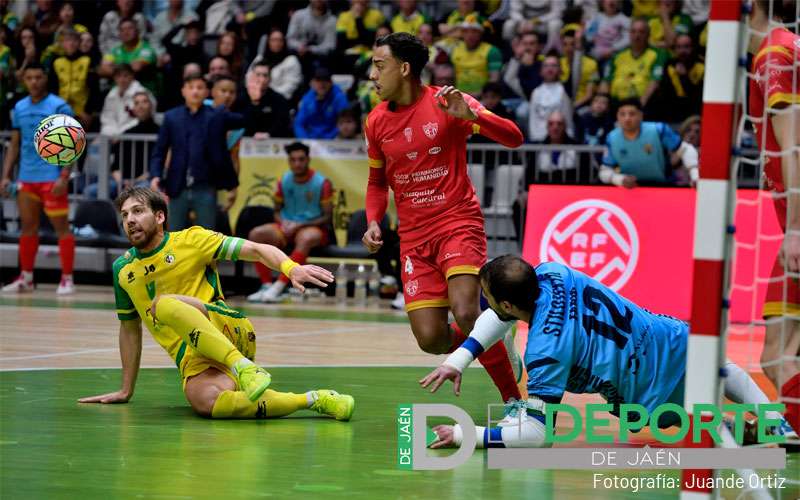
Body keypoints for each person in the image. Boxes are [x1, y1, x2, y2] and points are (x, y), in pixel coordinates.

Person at [421, 255, 797, 448]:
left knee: (672, 418)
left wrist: (466, 434)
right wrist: (460, 358)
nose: (485, 302)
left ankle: (730, 428)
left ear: (505, 302)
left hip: (646, 393)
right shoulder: (553, 271)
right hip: (670, 338)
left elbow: (539, 436)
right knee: (720, 367)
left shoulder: (543, 354)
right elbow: (504, 313)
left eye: (488, 296)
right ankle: (775, 420)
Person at [78, 186, 354, 422]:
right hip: (195, 358)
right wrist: (126, 389)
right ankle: (313, 400)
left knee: (162, 304)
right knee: (207, 402)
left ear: (160, 216)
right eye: (125, 215)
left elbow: (256, 249)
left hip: (227, 329)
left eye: (138, 211)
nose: (130, 220)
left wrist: (291, 268)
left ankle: (243, 366)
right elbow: (129, 329)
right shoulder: (122, 270)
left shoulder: (192, 240)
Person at [362, 33, 524, 405]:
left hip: (456, 223)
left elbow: (514, 138)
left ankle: (516, 404)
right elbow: (376, 182)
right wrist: (373, 220)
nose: (373, 74)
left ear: (404, 69)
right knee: (430, 338)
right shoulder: (375, 122)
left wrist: (474, 115)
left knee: (467, 311)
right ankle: (494, 335)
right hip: (414, 239)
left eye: (379, 65)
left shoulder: (448, 102)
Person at [746, 0, 800, 434]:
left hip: (799, 225)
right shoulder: (789, 48)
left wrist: (796, 231)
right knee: (781, 353)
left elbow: (792, 146)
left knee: (778, 353)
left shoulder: (774, 54)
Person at [1, 64, 76, 294]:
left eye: (38, 77)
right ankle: (26, 278)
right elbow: (15, 144)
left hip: (52, 177)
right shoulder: (19, 107)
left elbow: (73, 143)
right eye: (29, 77)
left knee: (61, 229)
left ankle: (67, 278)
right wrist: (5, 176)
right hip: (26, 177)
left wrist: (64, 175)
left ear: (45, 79)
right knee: (28, 228)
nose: (34, 81)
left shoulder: (59, 106)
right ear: (24, 80)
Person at [149, 74, 241, 230]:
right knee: (174, 236)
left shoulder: (215, 116)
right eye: (191, 87)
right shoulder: (172, 117)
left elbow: (223, 154)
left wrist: (232, 185)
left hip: (205, 185)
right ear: (183, 91)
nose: (195, 92)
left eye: (199, 88)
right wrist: (155, 174)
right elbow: (160, 150)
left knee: (206, 238)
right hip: (177, 186)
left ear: (207, 92)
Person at [247, 142, 334, 303]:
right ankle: (266, 285)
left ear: (308, 159)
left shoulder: (322, 183)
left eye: (301, 159)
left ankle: (278, 286)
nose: (297, 163)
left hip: (313, 227)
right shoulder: (284, 181)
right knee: (256, 234)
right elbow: (276, 211)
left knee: (306, 238)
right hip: (287, 226)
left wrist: (300, 225)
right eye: (293, 160)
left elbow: (327, 217)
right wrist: (283, 222)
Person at [599, 98, 697, 188]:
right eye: (622, 114)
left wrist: (695, 175)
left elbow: (686, 149)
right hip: (630, 188)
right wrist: (620, 180)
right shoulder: (611, 138)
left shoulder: (658, 130)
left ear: (641, 116)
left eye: (632, 114)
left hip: (663, 186)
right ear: (617, 116)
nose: (627, 118)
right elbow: (604, 171)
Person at [600, 18, 666, 111]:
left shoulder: (657, 54)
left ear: (648, 35)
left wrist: (640, 105)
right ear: (629, 34)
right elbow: (606, 81)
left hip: (641, 104)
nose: (637, 35)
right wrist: (603, 103)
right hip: (615, 103)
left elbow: (655, 82)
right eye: (633, 32)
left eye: (641, 32)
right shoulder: (618, 56)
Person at [234, 61, 292, 138]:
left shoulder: (279, 99)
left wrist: (269, 134)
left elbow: (282, 123)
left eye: (265, 75)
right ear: (251, 76)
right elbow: (238, 122)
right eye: (258, 75)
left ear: (270, 78)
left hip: (272, 141)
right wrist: (254, 102)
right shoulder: (240, 97)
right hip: (244, 140)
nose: (261, 79)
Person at [450, 18, 503, 97]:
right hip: (458, 97)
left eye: (474, 31)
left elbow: (494, 79)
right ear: (462, 34)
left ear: (481, 33)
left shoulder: (492, 51)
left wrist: (478, 95)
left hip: (483, 98)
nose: (470, 35)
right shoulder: (454, 49)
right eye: (466, 31)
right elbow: (450, 76)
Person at [100, 63, 155, 137]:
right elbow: (107, 119)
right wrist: (112, 134)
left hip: (136, 134)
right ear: (114, 78)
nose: (122, 80)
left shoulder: (143, 93)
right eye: (118, 76)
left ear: (132, 76)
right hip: (112, 136)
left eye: (125, 76)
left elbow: (145, 118)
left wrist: (121, 135)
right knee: (94, 147)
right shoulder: (111, 95)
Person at [294, 67, 349, 139]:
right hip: (311, 140)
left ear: (331, 83)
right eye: (318, 80)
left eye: (325, 80)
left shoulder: (339, 98)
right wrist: (305, 140)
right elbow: (299, 124)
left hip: (334, 139)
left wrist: (327, 138)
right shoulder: (307, 98)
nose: (322, 84)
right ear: (312, 83)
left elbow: (344, 123)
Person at [528, 54, 573, 142]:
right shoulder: (536, 92)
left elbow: (568, 119)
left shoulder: (565, 91)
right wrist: (535, 139)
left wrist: (569, 139)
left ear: (560, 70)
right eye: (546, 66)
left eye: (554, 65)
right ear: (541, 71)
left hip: (562, 141)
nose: (550, 69)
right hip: (539, 140)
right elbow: (533, 119)